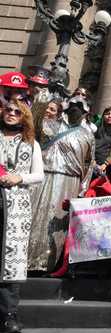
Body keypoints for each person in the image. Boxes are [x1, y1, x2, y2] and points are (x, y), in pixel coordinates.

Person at [28, 96, 95, 273]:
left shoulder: (88, 135)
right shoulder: (52, 126)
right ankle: (30, 259)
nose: (75, 109)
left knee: (58, 223)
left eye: (79, 107)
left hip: (70, 180)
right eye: (71, 106)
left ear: (85, 112)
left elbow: (89, 163)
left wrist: (83, 188)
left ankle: (52, 262)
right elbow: (34, 122)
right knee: (38, 216)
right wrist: (42, 99)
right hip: (46, 175)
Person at [50, 154, 111, 278]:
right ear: (110, 169)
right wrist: (74, 205)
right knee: (74, 230)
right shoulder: (99, 182)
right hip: (99, 226)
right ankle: (65, 267)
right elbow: (87, 201)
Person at [0, 99, 44, 332]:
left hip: (15, 207)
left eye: (17, 111)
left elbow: (39, 175)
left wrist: (19, 178)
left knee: (10, 260)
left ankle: (8, 315)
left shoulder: (31, 144)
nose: (12, 113)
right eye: (8, 109)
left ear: (24, 116)